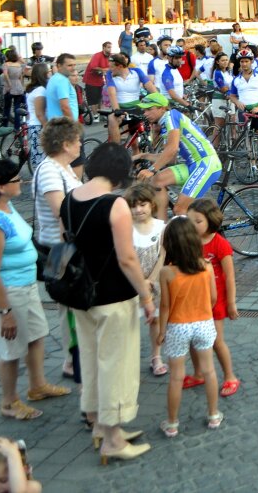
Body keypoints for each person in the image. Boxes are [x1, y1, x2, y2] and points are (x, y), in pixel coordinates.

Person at [63, 143, 154, 463]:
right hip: (113, 296)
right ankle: (113, 439)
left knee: (90, 360)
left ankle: (99, 426)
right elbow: (128, 258)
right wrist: (146, 295)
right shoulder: (115, 205)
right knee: (116, 365)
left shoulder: (69, 198)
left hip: (81, 295)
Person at [0, 159, 69, 421]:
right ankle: (9, 402)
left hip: (23, 285)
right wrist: (5, 311)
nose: (21, 182)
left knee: (36, 335)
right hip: (7, 291)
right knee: (10, 349)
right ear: (1, 187)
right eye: (15, 180)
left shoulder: (4, 205)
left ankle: (37, 385)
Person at [156, 215, 222, 438]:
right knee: (209, 370)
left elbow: (165, 306)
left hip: (178, 326)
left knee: (176, 376)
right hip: (204, 323)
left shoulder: (166, 273)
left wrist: (161, 331)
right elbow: (213, 298)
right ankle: (213, 414)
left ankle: (172, 423)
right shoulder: (207, 267)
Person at [30, 117, 83, 376]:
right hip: (59, 249)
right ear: (65, 144)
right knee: (69, 306)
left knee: (74, 305)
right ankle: (72, 360)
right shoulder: (49, 169)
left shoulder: (65, 168)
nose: (80, 144)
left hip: (69, 246)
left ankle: (76, 357)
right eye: (77, 141)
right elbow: (62, 211)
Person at [181, 200, 239, 399]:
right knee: (192, 338)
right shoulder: (188, 242)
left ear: (211, 221)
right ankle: (199, 373)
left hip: (216, 301)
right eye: (189, 221)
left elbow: (230, 276)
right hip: (193, 300)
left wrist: (231, 302)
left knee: (215, 340)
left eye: (197, 221)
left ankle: (230, 376)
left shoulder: (220, 244)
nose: (192, 225)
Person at [134, 93, 222, 219]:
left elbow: (172, 149)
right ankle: (162, 227)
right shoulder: (165, 125)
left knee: (180, 209)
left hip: (207, 163)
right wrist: (143, 156)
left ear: (162, 108)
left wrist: (151, 170)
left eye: (149, 109)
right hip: (192, 164)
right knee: (157, 181)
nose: (145, 113)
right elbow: (171, 158)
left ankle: (189, 236)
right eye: (144, 110)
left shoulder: (170, 116)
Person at [123, 183, 166, 377]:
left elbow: (163, 255)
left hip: (154, 283)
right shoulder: (126, 229)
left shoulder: (160, 227)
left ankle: (156, 356)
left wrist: (151, 279)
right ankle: (126, 359)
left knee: (154, 320)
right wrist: (141, 281)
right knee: (128, 322)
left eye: (142, 205)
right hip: (130, 283)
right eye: (133, 206)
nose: (138, 209)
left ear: (151, 205)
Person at [226, 51, 258, 179]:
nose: (244, 64)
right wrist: (237, 102)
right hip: (244, 112)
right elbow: (232, 95)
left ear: (251, 62)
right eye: (242, 61)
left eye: (246, 61)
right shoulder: (236, 79)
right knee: (248, 141)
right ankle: (252, 166)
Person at [104, 53, 155, 145]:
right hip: (120, 109)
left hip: (136, 108)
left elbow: (151, 88)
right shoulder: (109, 74)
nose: (109, 69)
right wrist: (117, 110)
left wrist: (161, 101)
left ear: (119, 66)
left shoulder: (137, 72)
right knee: (113, 119)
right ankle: (117, 151)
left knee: (135, 143)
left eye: (111, 67)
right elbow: (112, 93)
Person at [82, 42, 112, 119]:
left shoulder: (110, 57)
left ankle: (100, 113)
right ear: (104, 48)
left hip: (101, 81)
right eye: (108, 47)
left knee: (100, 98)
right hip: (91, 80)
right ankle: (95, 115)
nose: (110, 49)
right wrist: (104, 69)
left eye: (110, 47)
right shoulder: (97, 55)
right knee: (93, 99)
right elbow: (93, 67)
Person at [0, 50, 26, 129]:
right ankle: (17, 127)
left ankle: (5, 126)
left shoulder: (5, 65)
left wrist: (9, 83)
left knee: (7, 108)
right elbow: (21, 76)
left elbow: (6, 74)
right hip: (18, 87)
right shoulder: (19, 65)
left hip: (9, 88)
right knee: (17, 108)